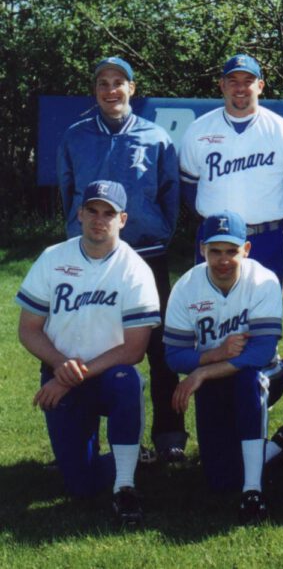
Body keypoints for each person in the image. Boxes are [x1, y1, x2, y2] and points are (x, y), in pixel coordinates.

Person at [57, 56, 186, 462]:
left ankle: (169, 437)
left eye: (119, 83)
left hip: (146, 255)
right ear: (95, 90)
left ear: (132, 88)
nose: (111, 90)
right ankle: (92, 438)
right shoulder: (75, 136)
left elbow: (171, 192)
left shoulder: (154, 137)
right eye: (103, 83)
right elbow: (67, 191)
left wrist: (157, 232)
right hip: (91, 259)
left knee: (159, 348)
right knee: (94, 343)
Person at [16, 180, 159, 526]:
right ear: (79, 213)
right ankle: (133, 455)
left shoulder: (135, 269)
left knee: (128, 380)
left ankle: (125, 484)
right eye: (92, 211)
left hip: (108, 375)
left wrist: (69, 377)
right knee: (79, 484)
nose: (99, 219)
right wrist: (60, 366)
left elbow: (135, 349)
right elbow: (28, 329)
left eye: (108, 213)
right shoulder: (54, 258)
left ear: (122, 219)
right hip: (60, 370)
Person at [164, 211, 283, 523]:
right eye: (215, 251)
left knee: (248, 382)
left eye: (231, 251)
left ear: (246, 250)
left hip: (264, 373)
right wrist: (214, 356)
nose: (223, 260)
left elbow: (261, 351)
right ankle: (280, 448)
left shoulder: (263, 281)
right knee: (220, 479)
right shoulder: (186, 287)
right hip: (215, 378)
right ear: (202, 250)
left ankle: (253, 491)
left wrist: (202, 371)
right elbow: (173, 355)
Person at [179, 54, 283, 282]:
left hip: (265, 238)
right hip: (214, 238)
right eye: (233, 81)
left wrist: (273, 219)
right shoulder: (198, 130)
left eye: (248, 81)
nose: (240, 88)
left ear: (260, 86)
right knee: (210, 310)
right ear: (222, 85)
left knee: (265, 312)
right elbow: (189, 187)